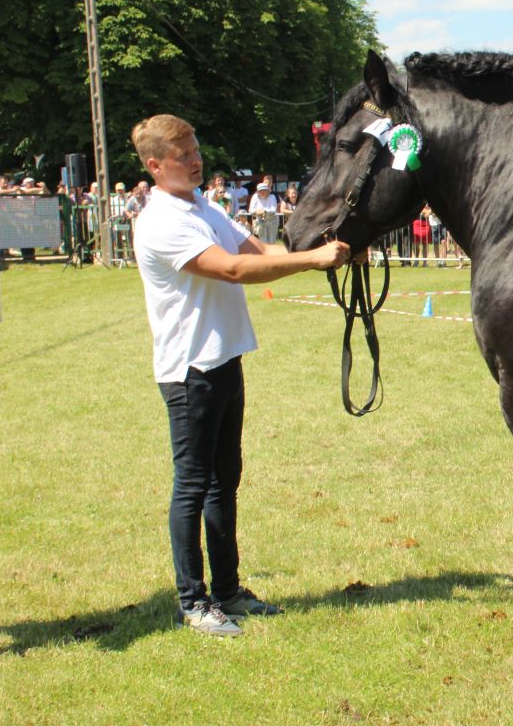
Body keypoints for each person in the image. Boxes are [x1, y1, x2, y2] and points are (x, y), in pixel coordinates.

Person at [130, 114, 351, 637]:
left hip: (224, 360)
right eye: (183, 154)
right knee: (192, 487)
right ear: (155, 166)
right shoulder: (161, 220)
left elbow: (256, 251)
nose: (195, 159)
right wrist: (313, 260)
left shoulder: (201, 206)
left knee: (223, 483)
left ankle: (227, 590)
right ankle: (193, 600)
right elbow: (231, 269)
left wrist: (334, 254)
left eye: (196, 147)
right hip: (190, 371)